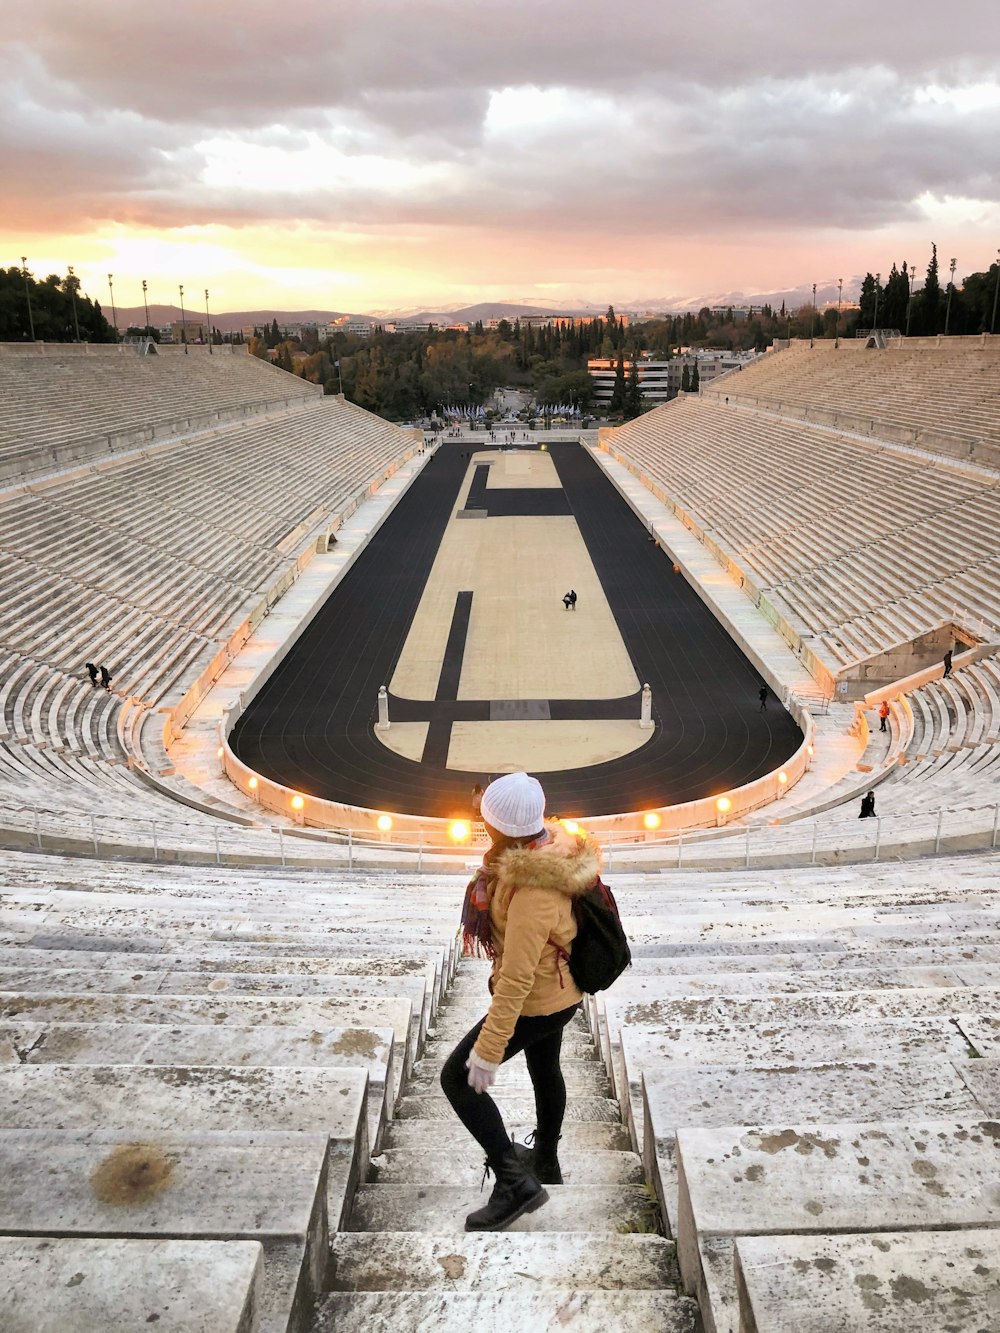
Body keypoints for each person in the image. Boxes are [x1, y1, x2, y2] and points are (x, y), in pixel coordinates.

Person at [440, 771, 597, 1231]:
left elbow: (516, 979)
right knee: (544, 1067)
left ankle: (514, 1183)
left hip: (543, 998)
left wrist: (487, 1053)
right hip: (560, 990)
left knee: (455, 1078)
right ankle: (546, 1160)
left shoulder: (533, 890)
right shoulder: (545, 849)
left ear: (499, 828)